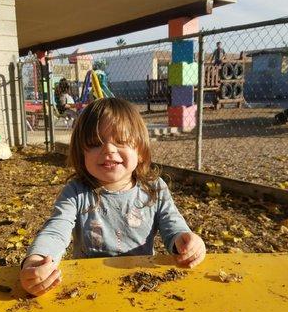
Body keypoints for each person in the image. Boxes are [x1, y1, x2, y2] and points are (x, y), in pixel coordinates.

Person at [20, 98, 206, 297]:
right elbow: (56, 231)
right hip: (87, 287)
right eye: (95, 143)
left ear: (141, 151)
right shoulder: (76, 193)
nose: (109, 149)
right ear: (81, 153)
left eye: (121, 141)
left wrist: (186, 241)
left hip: (140, 284)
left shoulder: (155, 190)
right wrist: (36, 260)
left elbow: (173, 226)